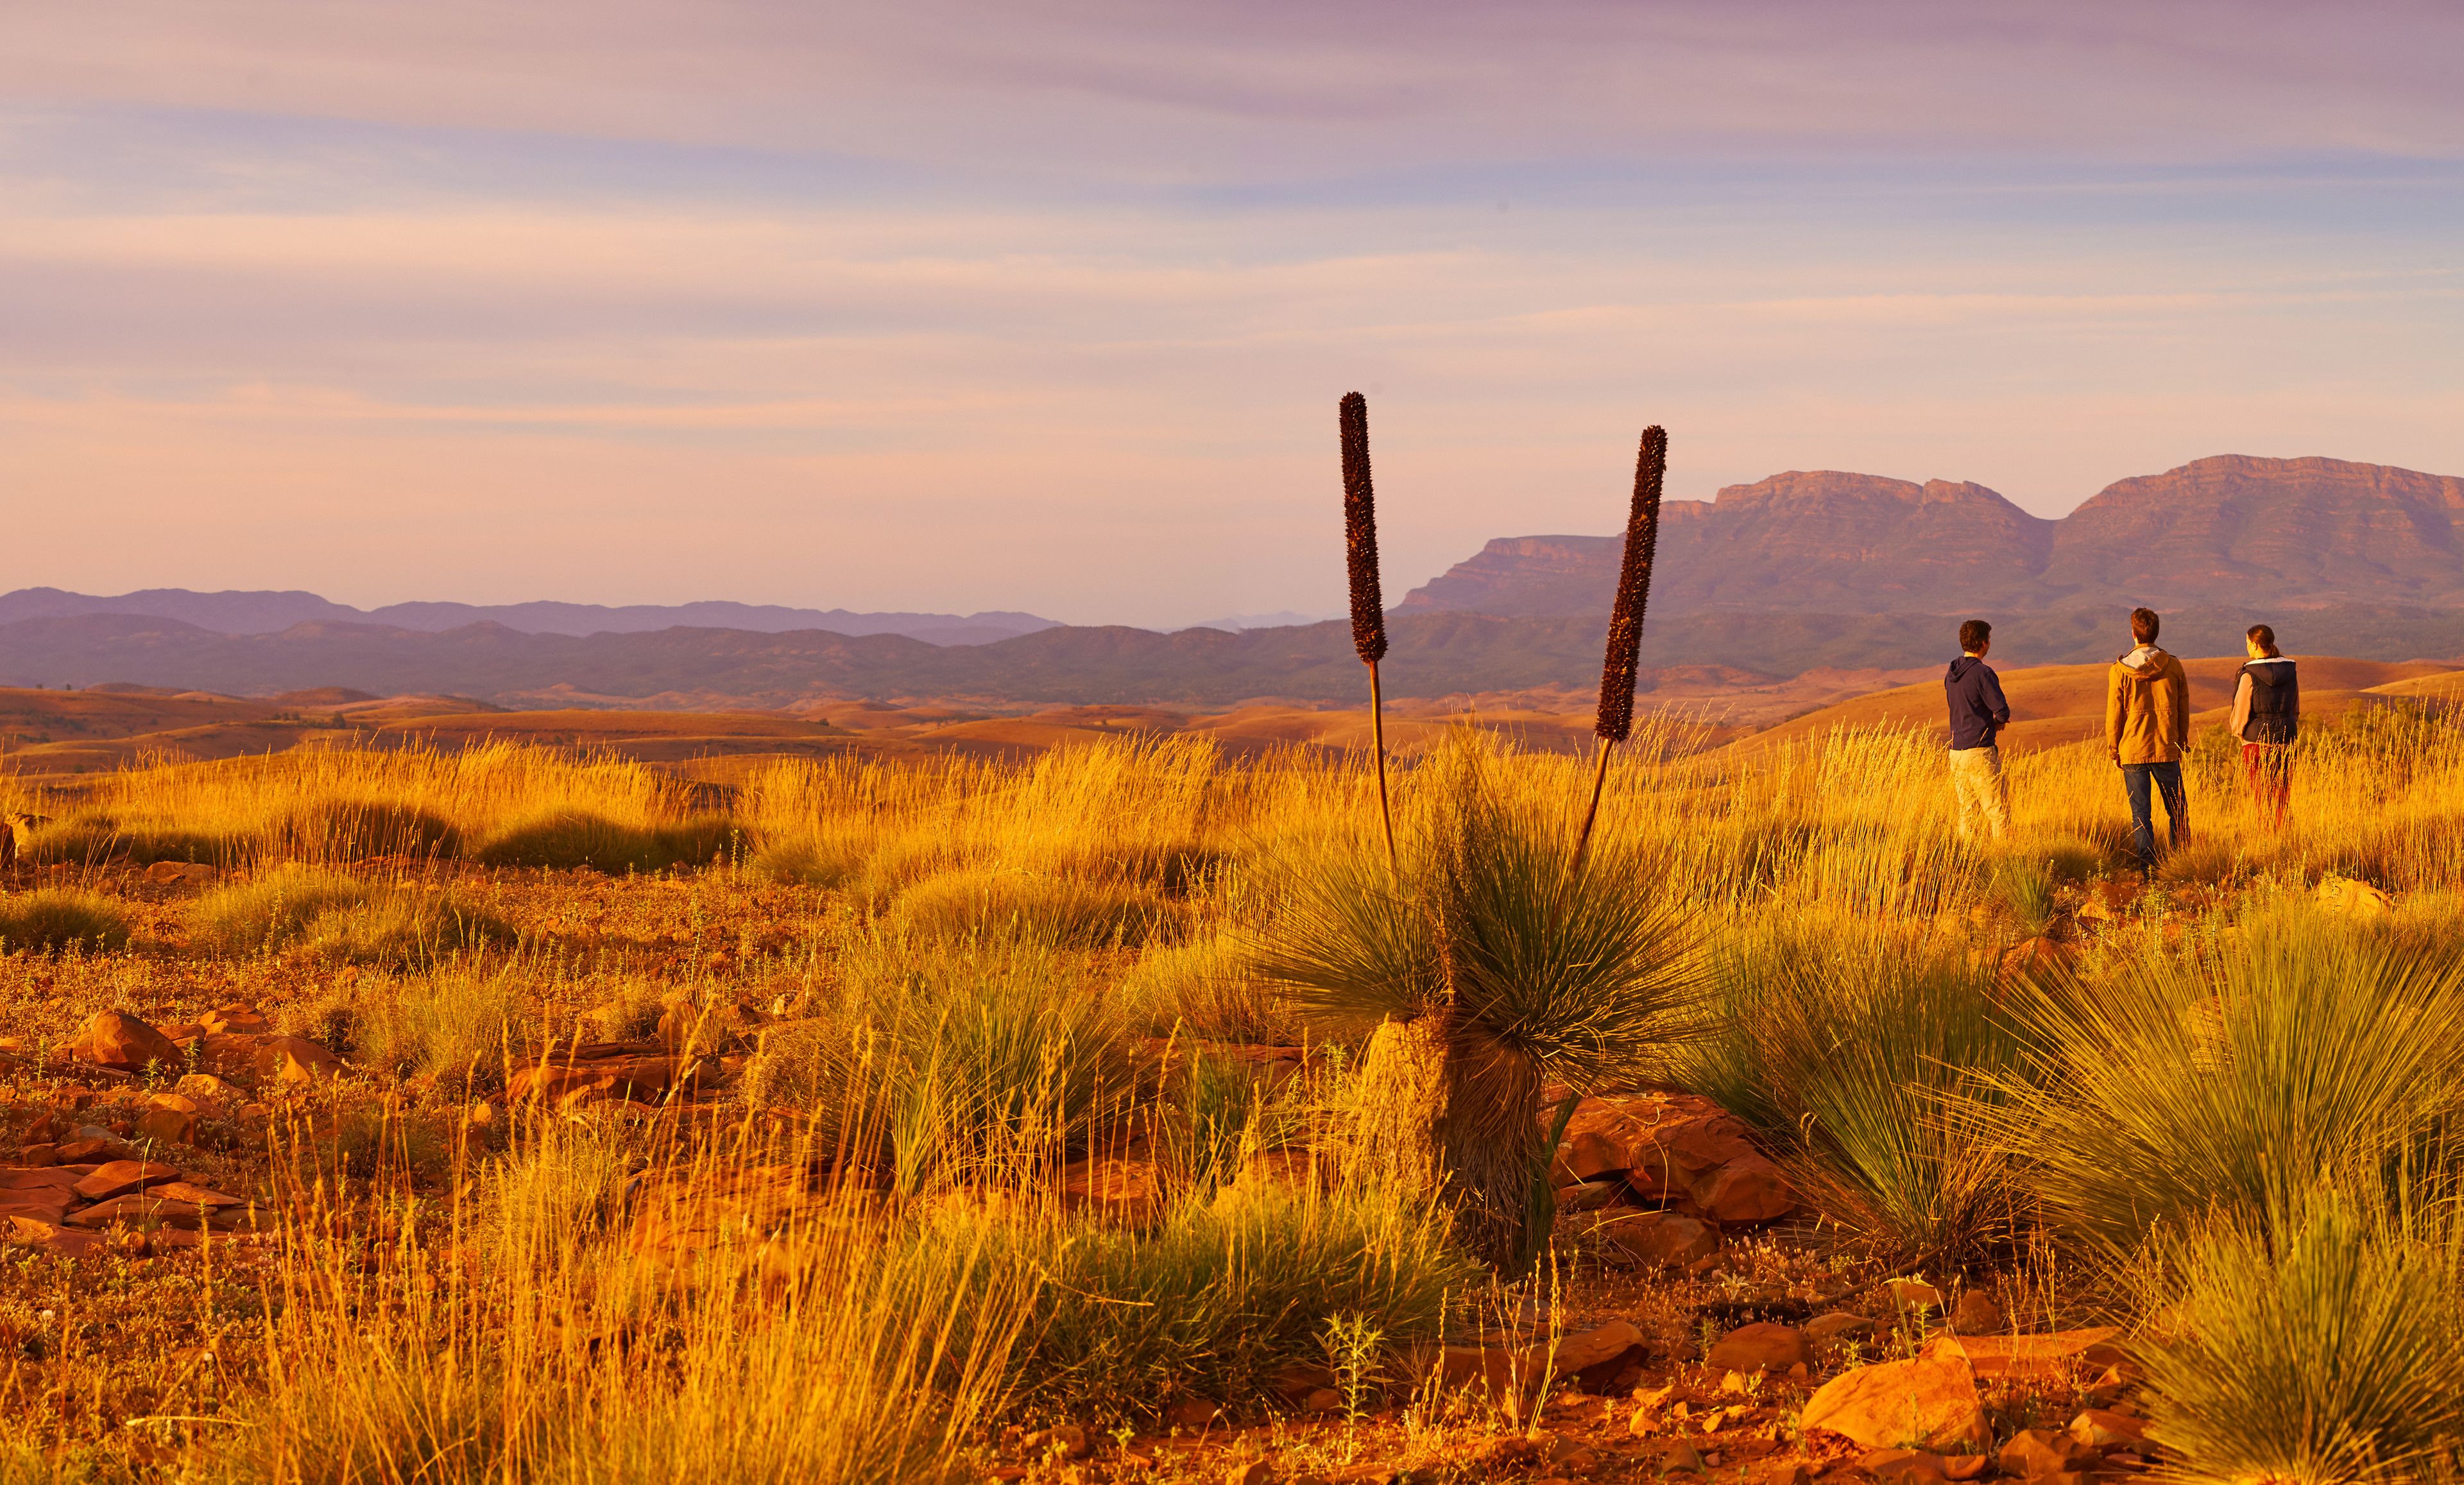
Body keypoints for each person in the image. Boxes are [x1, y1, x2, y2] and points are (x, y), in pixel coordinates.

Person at [2105, 606, 2191, 875]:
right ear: (2156, 633)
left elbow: (2114, 714)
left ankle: (2148, 869)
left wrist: (2113, 747)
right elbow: (2183, 708)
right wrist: (2181, 741)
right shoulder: (2173, 665)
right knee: (2178, 810)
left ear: (2133, 634)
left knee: (2141, 814)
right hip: (2167, 747)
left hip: (2132, 750)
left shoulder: (2119, 671)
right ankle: (2183, 863)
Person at [1944, 619, 2012, 840]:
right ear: (1983, 643)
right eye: (1989, 639)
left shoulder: (1952, 673)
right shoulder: (1983, 673)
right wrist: (1996, 722)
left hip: (1956, 751)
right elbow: (2002, 711)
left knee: (1968, 811)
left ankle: (1965, 860)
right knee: (1998, 812)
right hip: (1980, 751)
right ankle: (2004, 862)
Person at [2229, 623, 2298, 828]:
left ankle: (2267, 838)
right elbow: (2295, 707)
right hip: (2286, 741)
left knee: (2262, 797)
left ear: (2256, 645)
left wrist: (2240, 734)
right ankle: (2284, 835)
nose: (2247, 648)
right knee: (2282, 797)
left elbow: (2240, 710)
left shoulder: (2249, 674)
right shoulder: (2290, 670)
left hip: (2256, 745)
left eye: (2248, 644)